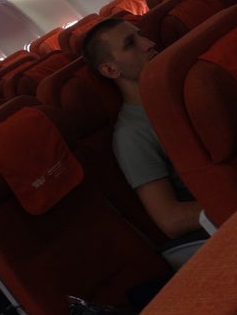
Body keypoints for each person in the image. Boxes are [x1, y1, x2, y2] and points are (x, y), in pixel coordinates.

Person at [82, 17, 201, 239]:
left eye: (141, 35)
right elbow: (170, 219)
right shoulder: (131, 134)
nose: (148, 44)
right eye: (130, 44)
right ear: (110, 69)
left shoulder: (189, 85)